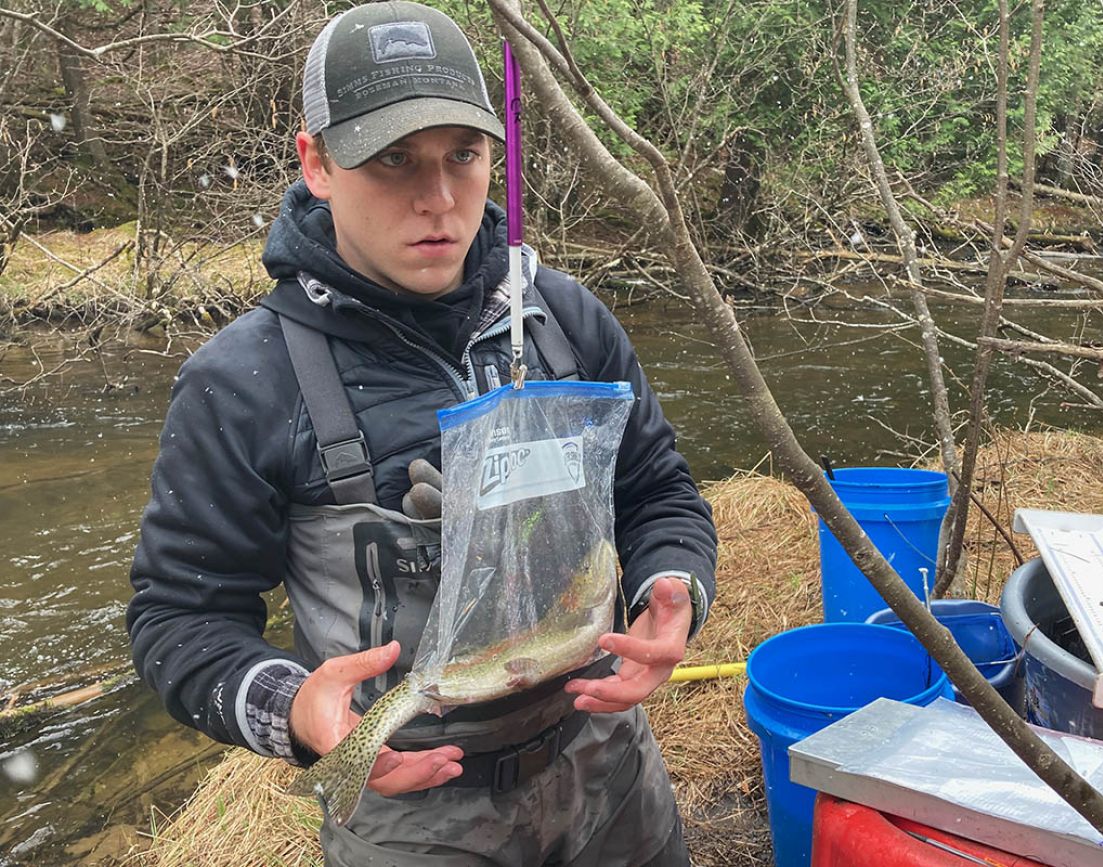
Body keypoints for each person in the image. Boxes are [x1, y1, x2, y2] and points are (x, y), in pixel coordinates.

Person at [125, 2, 717, 864]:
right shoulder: (242, 384)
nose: (438, 199)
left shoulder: (564, 320)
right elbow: (178, 618)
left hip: (610, 771)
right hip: (413, 820)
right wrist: (293, 707)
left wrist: (674, 586)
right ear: (317, 163)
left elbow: (658, 490)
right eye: (392, 159)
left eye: (463, 156)